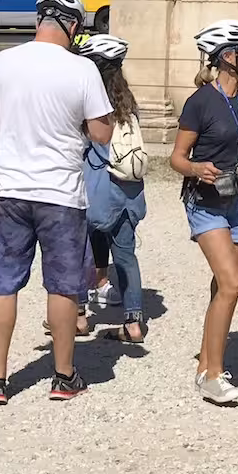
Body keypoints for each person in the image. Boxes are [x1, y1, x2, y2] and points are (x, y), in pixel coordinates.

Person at [0, 0, 114, 406]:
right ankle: (63, 376)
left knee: (2, 284)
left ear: (39, 20)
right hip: (61, 193)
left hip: (8, 189)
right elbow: (102, 133)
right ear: (73, 25)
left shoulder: (4, 61)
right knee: (63, 286)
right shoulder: (83, 69)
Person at [171, 19, 238, 406]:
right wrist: (196, 168)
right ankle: (213, 376)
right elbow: (176, 158)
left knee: (222, 285)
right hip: (206, 201)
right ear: (228, 57)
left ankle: (206, 364)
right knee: (233, 283)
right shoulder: (200, 102)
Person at [74, 32, 151, 344]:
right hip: (128, 192)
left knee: (80, 250)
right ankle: (133, 322)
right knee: (126, 256)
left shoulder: (90, 106)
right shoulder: (128, 106)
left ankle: (79, 315)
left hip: (96, 191)